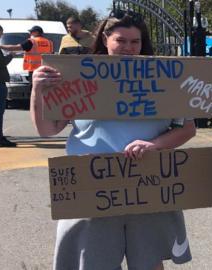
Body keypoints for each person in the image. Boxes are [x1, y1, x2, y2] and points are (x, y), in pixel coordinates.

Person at [30, 13, 195, 270]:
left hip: (148, 184)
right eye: (121, 40)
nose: (129, 48)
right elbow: (47, 129)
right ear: (106, 39)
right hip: (91, 188)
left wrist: (155, 145)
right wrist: (37, 90)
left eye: (135, 41)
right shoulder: (78, 76)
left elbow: (187, 129)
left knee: (149, 263)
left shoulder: (164, 79)